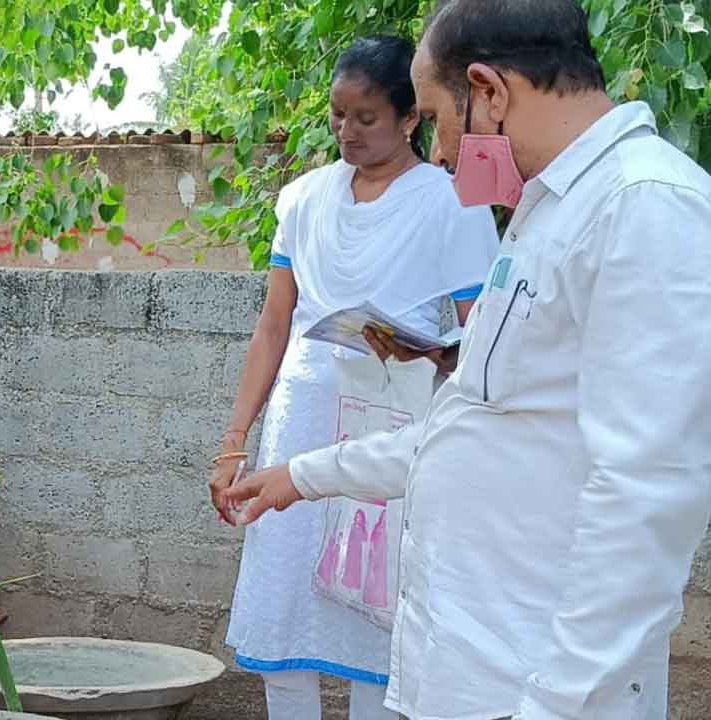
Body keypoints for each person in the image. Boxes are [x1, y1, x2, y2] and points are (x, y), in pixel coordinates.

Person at [227, 1, 711, 718]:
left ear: (488, 91)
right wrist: (303, 475)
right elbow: (470, 427)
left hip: (539, 685)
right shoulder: (544, 215)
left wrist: (558, 703)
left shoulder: (647, 208)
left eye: (436, 116)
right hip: (470, 666)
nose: (444, 152)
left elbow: (646, 497)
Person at [212, 35, 499, 720]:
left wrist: (430, 353)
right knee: (280, 605)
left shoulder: (450, 202)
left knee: (378, 612)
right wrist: (234, 439)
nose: (348, 131)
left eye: (366, 117)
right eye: (338, 116)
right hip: (300, 421)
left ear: (410, 118)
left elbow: (483, 336)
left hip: (393, 426)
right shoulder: (302, 200)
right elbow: (273, 326)